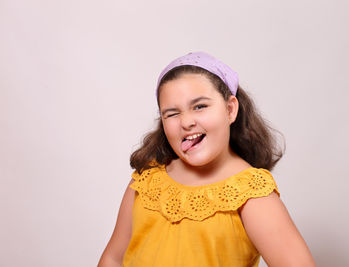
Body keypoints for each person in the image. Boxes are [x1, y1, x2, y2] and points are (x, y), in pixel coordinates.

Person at [98, 52, 316, 267]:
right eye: (172, 113)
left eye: (200, 106)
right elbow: (113, 259)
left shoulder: (249, 192)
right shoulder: (146, 180)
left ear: (230, 110)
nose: (186, 122)